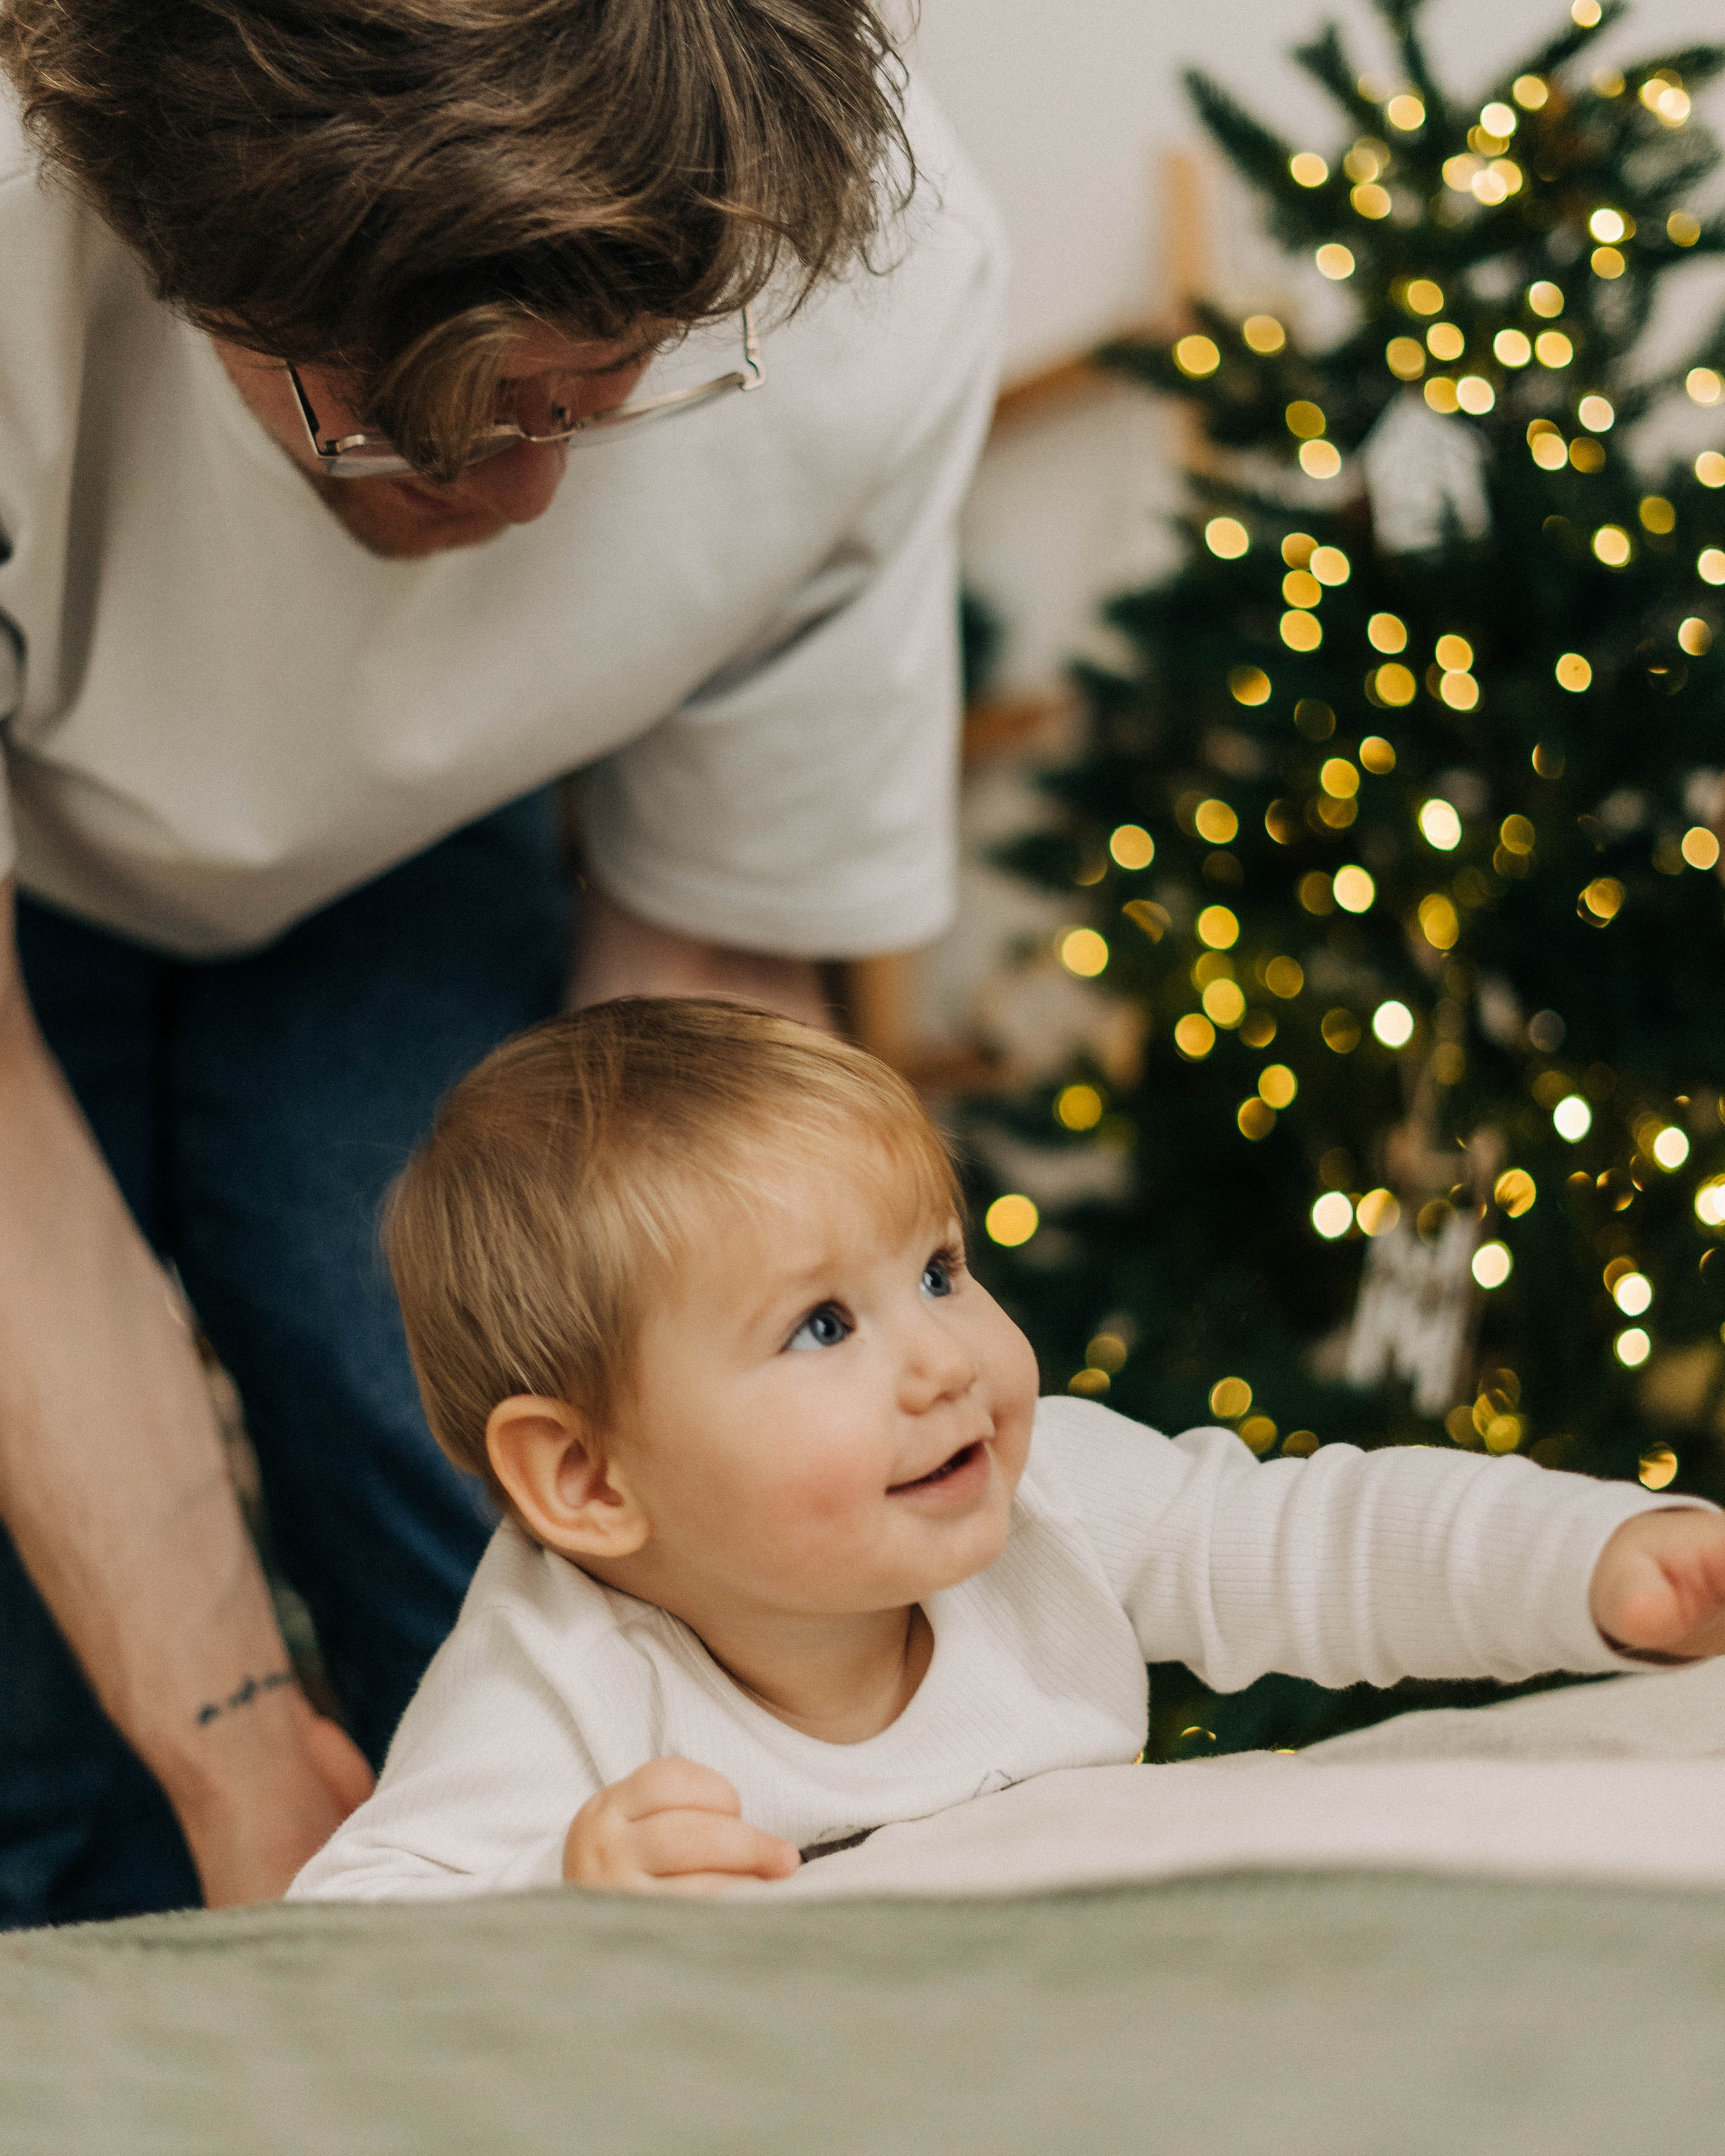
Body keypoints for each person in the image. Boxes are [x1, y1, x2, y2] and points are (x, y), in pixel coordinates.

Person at [0, 0, 1005, 1928]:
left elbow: (697, 1061)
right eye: (403, 416)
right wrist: (230, 1744)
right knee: (43, 1734)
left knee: (457, 1460)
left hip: (423, 832)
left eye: (600, 386)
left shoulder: (888, 280)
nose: (526, 506)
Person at [290, 1000, 1725, 1901]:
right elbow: (343, 1942)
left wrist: (1592, 1562)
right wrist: (562, 1886)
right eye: (819, 1326)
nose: (941, 1358)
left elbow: (1314, 1541)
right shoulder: (559, 1682)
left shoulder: (1048, 1501)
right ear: (590, 1480)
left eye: (935, 1269)